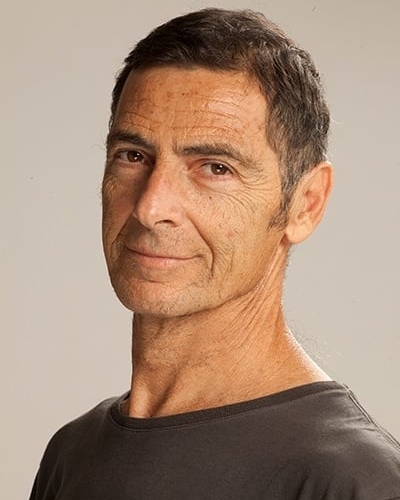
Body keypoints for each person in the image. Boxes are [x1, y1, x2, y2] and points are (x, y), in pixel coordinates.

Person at [30, 8, 400, 500]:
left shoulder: (353, 480)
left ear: (305, 203)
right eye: (133, 156)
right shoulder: (73, 451)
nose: (150, 207)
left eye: (215, 167)